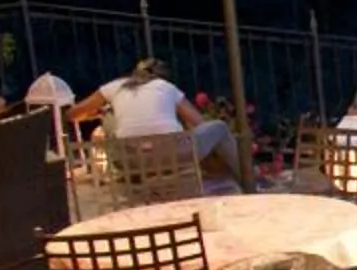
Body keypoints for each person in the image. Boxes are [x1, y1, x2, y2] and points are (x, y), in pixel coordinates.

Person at [69, 58, 250, 190]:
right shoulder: (165, 87)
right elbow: (198, 122)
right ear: (162, 77)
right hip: (172, 156)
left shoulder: (115, 87)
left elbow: (72, 114)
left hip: (130, 162)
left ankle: (141, 182)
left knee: (109, 115)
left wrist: (97, 113)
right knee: (218, 128)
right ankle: (250, 183)